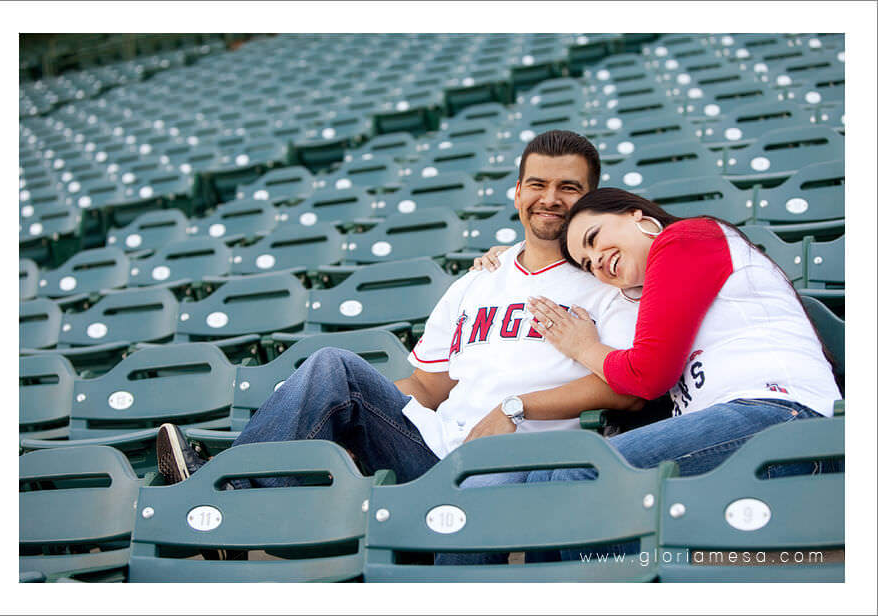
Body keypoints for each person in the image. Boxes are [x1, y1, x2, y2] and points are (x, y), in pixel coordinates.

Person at [155, 131, 641, 497]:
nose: (550, 199)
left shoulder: (606, 283)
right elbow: (428, 387)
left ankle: (223, 502)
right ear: (517, 192)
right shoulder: (474, 283)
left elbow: (629, 388)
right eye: (537, 184)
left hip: (521, 461)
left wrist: (516, 406)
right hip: (432, 450)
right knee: (332, 368)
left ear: (592, 198)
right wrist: (339, 415)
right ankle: (230, 491)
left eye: (569, 187)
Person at [470, 187, 841, 562]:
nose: (597, 262)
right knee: (543, 482)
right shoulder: (655, 286)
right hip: (748, 427)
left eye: (595, 239)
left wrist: (583, 347)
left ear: (636, 215)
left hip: (786, 420)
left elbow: (647, 375)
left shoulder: (687, 237)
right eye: (587, 263)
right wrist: (507, 258)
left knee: (581, 477)